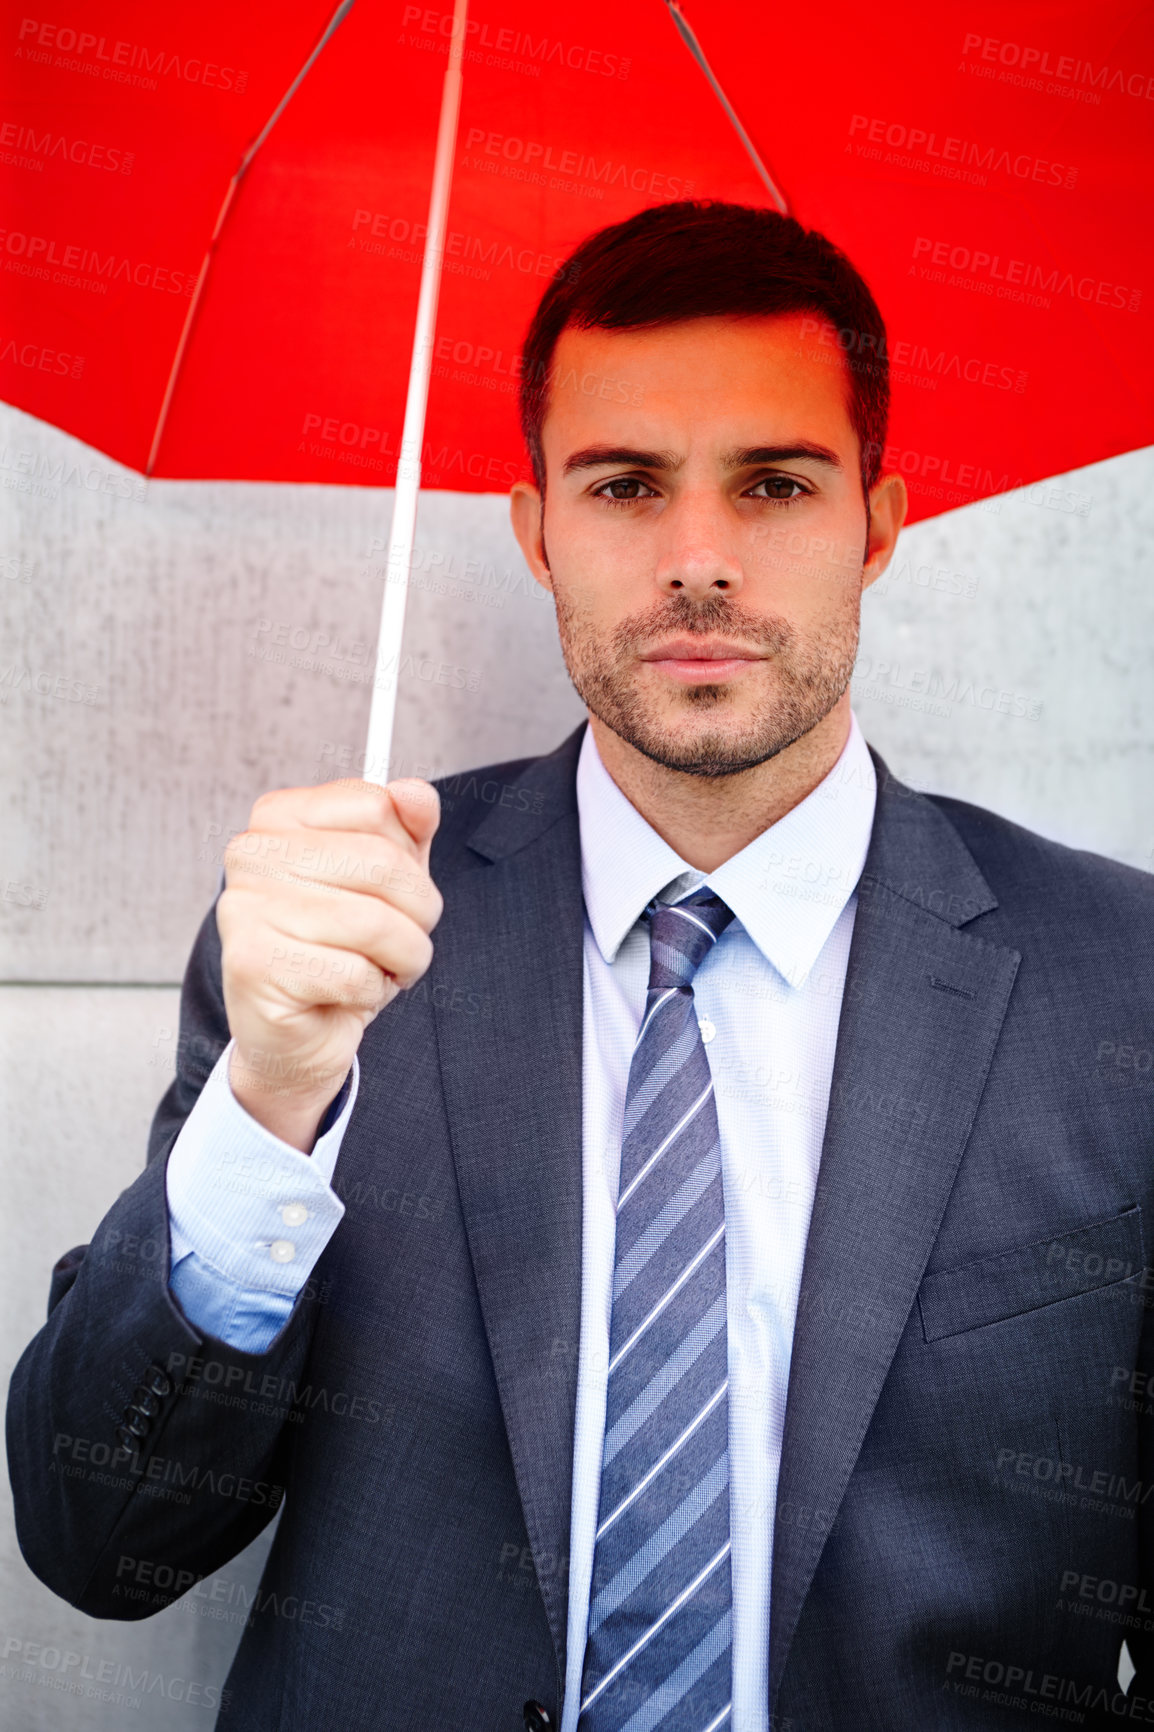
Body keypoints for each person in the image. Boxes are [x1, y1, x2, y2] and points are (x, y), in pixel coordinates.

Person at [7, 200, 1154, 1732]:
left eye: (772, 483)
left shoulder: (1117, 982)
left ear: (877, 525)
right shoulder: (335, 952)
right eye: (623, 484)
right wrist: (273, 1098)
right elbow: (102, 1543)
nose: (696, 560)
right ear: (534, 528)